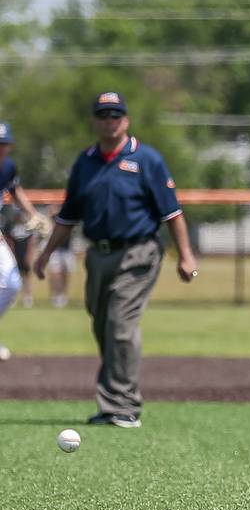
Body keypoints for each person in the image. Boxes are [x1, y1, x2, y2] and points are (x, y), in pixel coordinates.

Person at [34, 92, 198, 428]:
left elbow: (173, 213)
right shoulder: (85, 162)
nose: (110, 121)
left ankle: (124, 406)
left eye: (116, 115)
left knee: (120, 324)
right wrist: (46, 254)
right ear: (94, 121)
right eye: (103, 115)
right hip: (98, 255)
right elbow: (68, 216)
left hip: (138, 251)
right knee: (101, 324)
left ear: (126, 120)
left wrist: (186, 255)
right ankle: (113, 404)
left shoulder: (147, 160)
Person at [0, 121, 49, 359]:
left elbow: (15, 190)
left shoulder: (7, 167)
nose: (1, 149)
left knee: (12, 284)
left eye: (4, 144)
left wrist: (33, 214)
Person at [45, 205, 75, 308]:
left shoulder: (68, 216)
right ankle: (56, 296)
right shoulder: (53, 219)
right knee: (55, 274)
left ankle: (63, 296)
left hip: (67, 249)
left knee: (66, 274)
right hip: (55, 250)